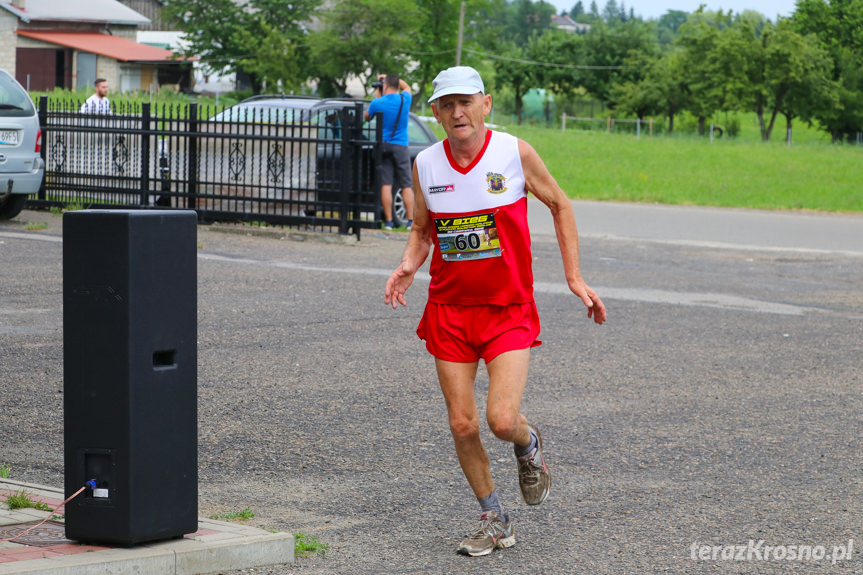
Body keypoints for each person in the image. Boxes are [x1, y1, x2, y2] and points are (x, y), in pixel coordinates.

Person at [384, 66, 607, 557]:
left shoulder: (513, 152)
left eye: (466, 102)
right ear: (437, 113)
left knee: (502, 420)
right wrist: (406, 265)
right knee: (462, 424)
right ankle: (494, 519)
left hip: (507, 309)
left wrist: (574, 277)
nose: (457, 112)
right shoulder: (426, 164)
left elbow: (560, 204)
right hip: (449, 309)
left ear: (486, 104)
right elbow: (423, 231)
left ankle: (528, 446)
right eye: (446, 104)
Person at [365, 74, 414, 231]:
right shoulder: (404, 99)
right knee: (406, 184)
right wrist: (389, 78)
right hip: (400, 146)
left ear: (384, 86)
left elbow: (366, 117)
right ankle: (410, 221)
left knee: (386, 184)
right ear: (396, 85)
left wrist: (378, 95)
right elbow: (407, 87)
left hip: (384, 146)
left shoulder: (377, 103)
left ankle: (389, 222)